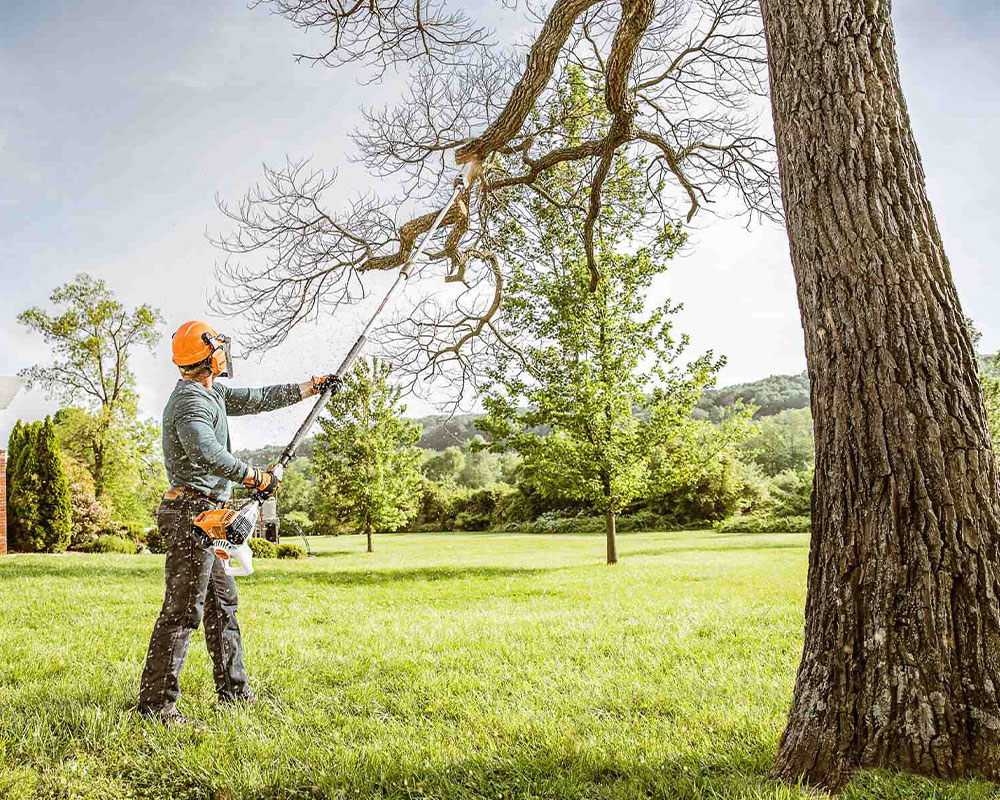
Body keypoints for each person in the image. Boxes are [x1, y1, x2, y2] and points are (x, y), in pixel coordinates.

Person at [137, 320, 330, 725]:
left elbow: (256, 397)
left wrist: (308, 387)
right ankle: (156, 706)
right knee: (182, 611)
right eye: (219, 347)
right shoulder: (190, 403)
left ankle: (235, 693)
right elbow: (205, 452)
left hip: (208, 516)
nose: (226, 352)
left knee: (223, 606)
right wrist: (254, 476)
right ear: (207, 355)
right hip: (191, 515)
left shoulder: (213, 391)